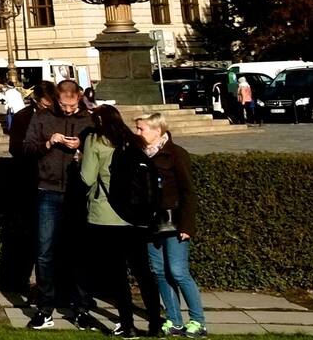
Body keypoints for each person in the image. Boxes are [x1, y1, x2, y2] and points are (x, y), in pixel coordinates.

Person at [76, 105, 162, 338]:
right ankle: (155, 323)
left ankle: (127, 324)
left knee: (117, 274)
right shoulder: (131, 140)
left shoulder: (95, 140)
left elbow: (87, 178)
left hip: (107, 214)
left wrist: (79, 162)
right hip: (136, 216)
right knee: (143, 272)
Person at [22, 79, 93, 329]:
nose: (68, 109)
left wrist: (82, 145)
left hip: (78, 192)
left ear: (79, 97)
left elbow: (105, 149)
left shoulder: (89, 119)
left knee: (79, 252)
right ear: (57, 98)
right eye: (63, 105)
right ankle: (45, 309)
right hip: (48, 189)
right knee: (45, 252)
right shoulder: (42, 117)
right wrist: (49, 143)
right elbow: (27, 148)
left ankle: (81, 308)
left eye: (72, 106)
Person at [136, 113, 206, 338]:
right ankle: (174, 320)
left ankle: (198, 321)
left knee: (178, 271)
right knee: (159, 272)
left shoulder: (175, 154)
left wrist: (187, 225)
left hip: (174, 222)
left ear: (157, 131)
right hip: (151, 224)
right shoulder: (141, 156)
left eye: (141, 129)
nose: (138, 132)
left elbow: (188, 192)